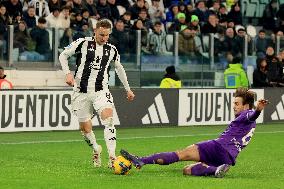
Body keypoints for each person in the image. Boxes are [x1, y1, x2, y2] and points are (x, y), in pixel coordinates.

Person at [120, 87, 269, 178]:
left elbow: (252, 115)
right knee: (187, 170)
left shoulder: (247, 114)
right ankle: (215, 170)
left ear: (246, 106)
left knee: (181, 154)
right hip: (228, 158)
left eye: (237, 104)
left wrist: (258, 109)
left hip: (218, 147)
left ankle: (141, 160)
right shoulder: (248, 120)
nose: (234, 107)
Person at [59, 19, 135, 168]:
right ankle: (96, 149)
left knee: (109, 120)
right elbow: (63, 55)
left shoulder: (112, 49)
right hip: (81, 92)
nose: (104, 38)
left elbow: (119, 68)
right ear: (95, 31)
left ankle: (112, 157)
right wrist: (67, 73)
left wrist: (128, 89)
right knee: (85, 129)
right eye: (101, 35)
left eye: (107, 35)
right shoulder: (82, 43)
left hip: (101, 90)